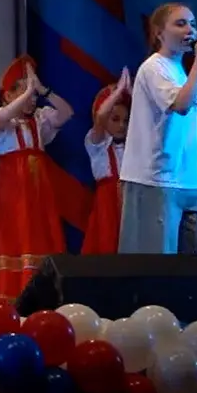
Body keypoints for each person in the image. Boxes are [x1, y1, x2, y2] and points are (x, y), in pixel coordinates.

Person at [0, 57, 84, 299]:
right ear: (7, 95)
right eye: (24, 92)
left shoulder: (39, 119)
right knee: (15, 236)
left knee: (41, 235)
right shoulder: (0, 121)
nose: (32, 99)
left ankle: (45, 295)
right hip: (14, 192)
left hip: (39, 193)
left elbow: (66, 113)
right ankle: (13, 295)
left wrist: (43, 90)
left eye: (33, 94)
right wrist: (28, 92)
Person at [118, 4, 197, 261]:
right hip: (155, 180)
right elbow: (180, 105)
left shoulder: (180, 71)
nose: (189, 30)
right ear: (159, 33)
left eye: (192, 24)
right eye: (180, 24)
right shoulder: (153, 68)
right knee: (158, 265)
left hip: (187, 180)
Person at [82, 68, 130, 255]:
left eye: (125, 120)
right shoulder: (98, 145)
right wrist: (119, 91)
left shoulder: (132, 146)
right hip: (106, 205)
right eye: (115, 119)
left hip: (130, 202)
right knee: (106, 247)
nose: (121, 125)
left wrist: (131, 93)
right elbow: (101, 116)